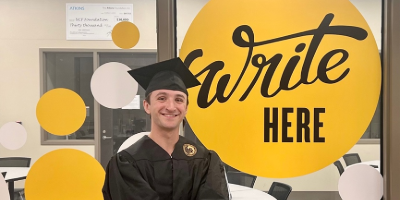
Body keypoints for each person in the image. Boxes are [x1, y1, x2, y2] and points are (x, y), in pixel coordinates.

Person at [102, 58, 230, 200]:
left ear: (186, 108)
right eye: (162, 98)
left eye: (179, 99)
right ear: (147, 106)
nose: (171, 106)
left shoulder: (204, 160)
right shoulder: (127, 163)